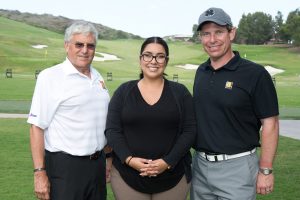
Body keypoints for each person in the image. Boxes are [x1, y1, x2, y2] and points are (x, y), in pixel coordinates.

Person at [191, 7, 279, 200]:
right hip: (200, 168)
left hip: (237, 170)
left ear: (232, 33)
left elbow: (270, 124)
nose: (212, 39)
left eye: (219, 32)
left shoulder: (255, 74)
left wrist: (265, 170)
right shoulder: (201, 71)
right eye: (206, 34)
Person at [105, 36, 196, 200]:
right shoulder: (123, 92)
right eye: (148, 55)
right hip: (128, 176)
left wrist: (167, 162)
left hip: (173, 177)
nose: (153, 61)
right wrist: (129, 159)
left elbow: (190, 131)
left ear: (166, 61)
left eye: (160, 56)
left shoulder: (180, 93)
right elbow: (112, 130)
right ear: (140, 59)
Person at [28, 21, 111, 200]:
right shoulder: (50, 77)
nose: (85, 50)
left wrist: (108, 159)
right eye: (79, 44)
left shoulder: (97, 77)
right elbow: (36, 127)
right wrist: (39, 173)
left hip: (96, 166)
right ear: (67, 46)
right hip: (65, 168)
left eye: (90, 45)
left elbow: (102, 122)